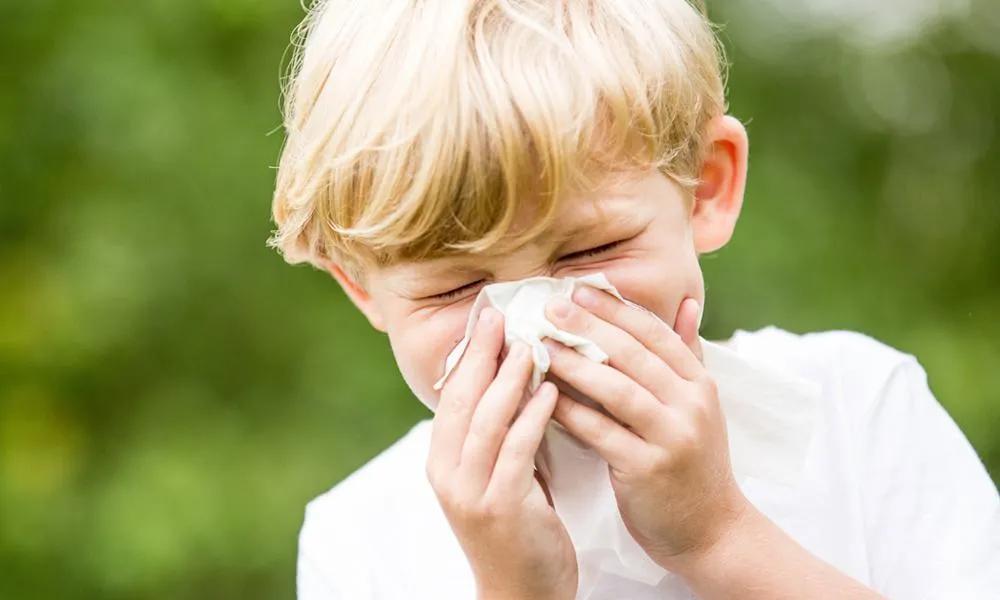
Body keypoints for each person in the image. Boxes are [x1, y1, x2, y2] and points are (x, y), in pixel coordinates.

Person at [267, 1, 1000, 598]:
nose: (537, 325)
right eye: (456, 286)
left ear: (707, 189)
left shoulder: (855, 411)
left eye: (589, 251)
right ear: (364, 288)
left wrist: (719, 537)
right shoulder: (362, 538)